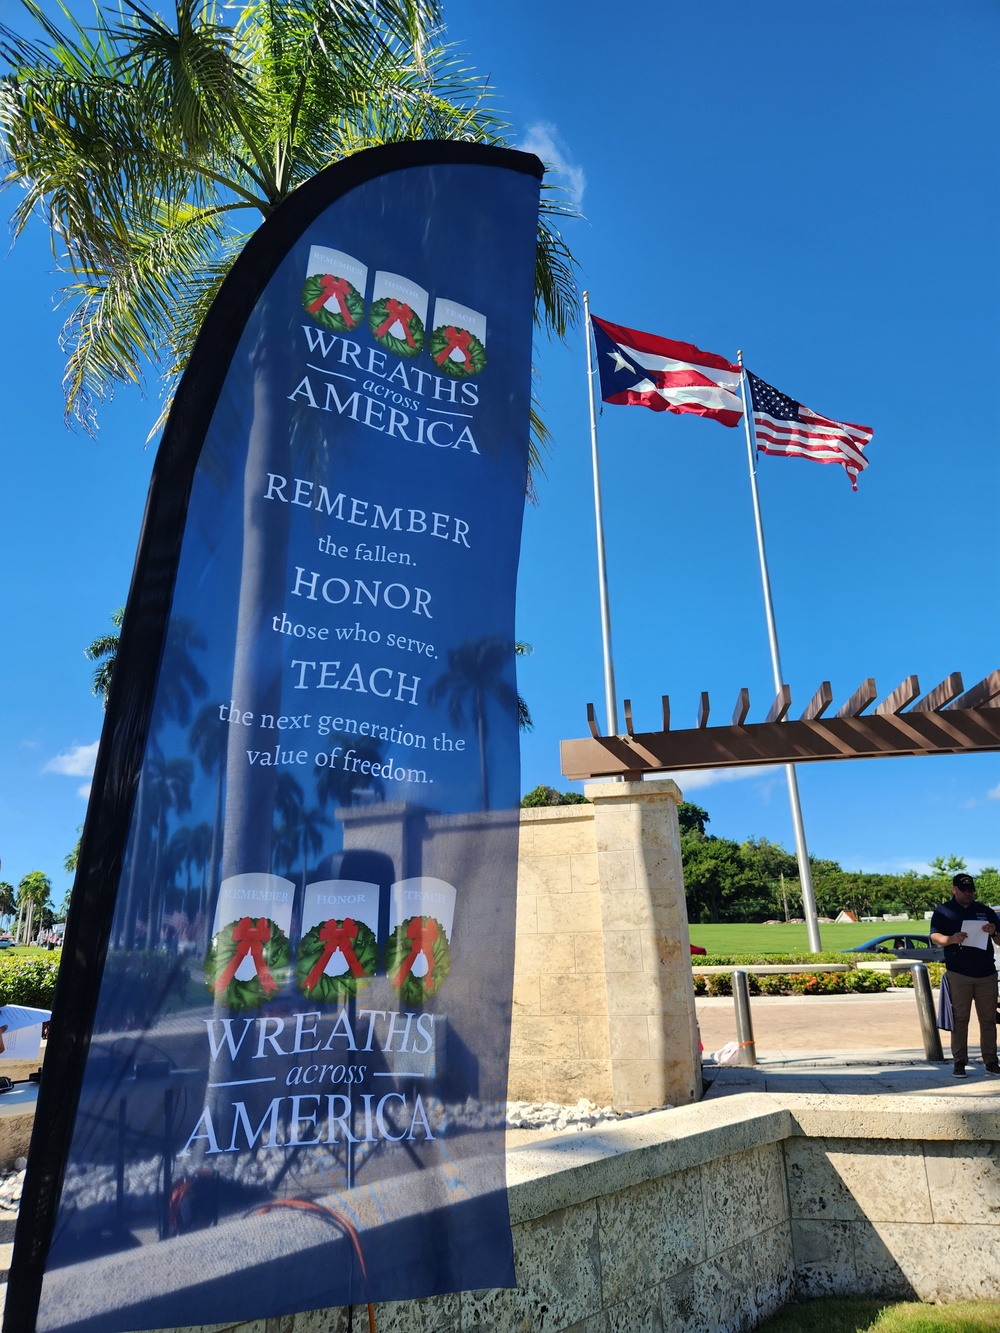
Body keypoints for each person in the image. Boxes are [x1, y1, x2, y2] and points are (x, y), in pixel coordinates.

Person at [930, 872, 1000, 1077]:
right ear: (954, 890)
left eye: (971, 890)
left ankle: (991, 1061)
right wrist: (952, 938)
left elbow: (999, 940)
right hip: (959, 973)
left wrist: (994, 931)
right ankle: (959, 1062)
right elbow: (934, 936)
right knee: (960, 1018)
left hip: (986, 972)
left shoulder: (984, 911)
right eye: (964, 890)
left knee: (988, 1019)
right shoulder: (943, 911)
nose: (968, 894)